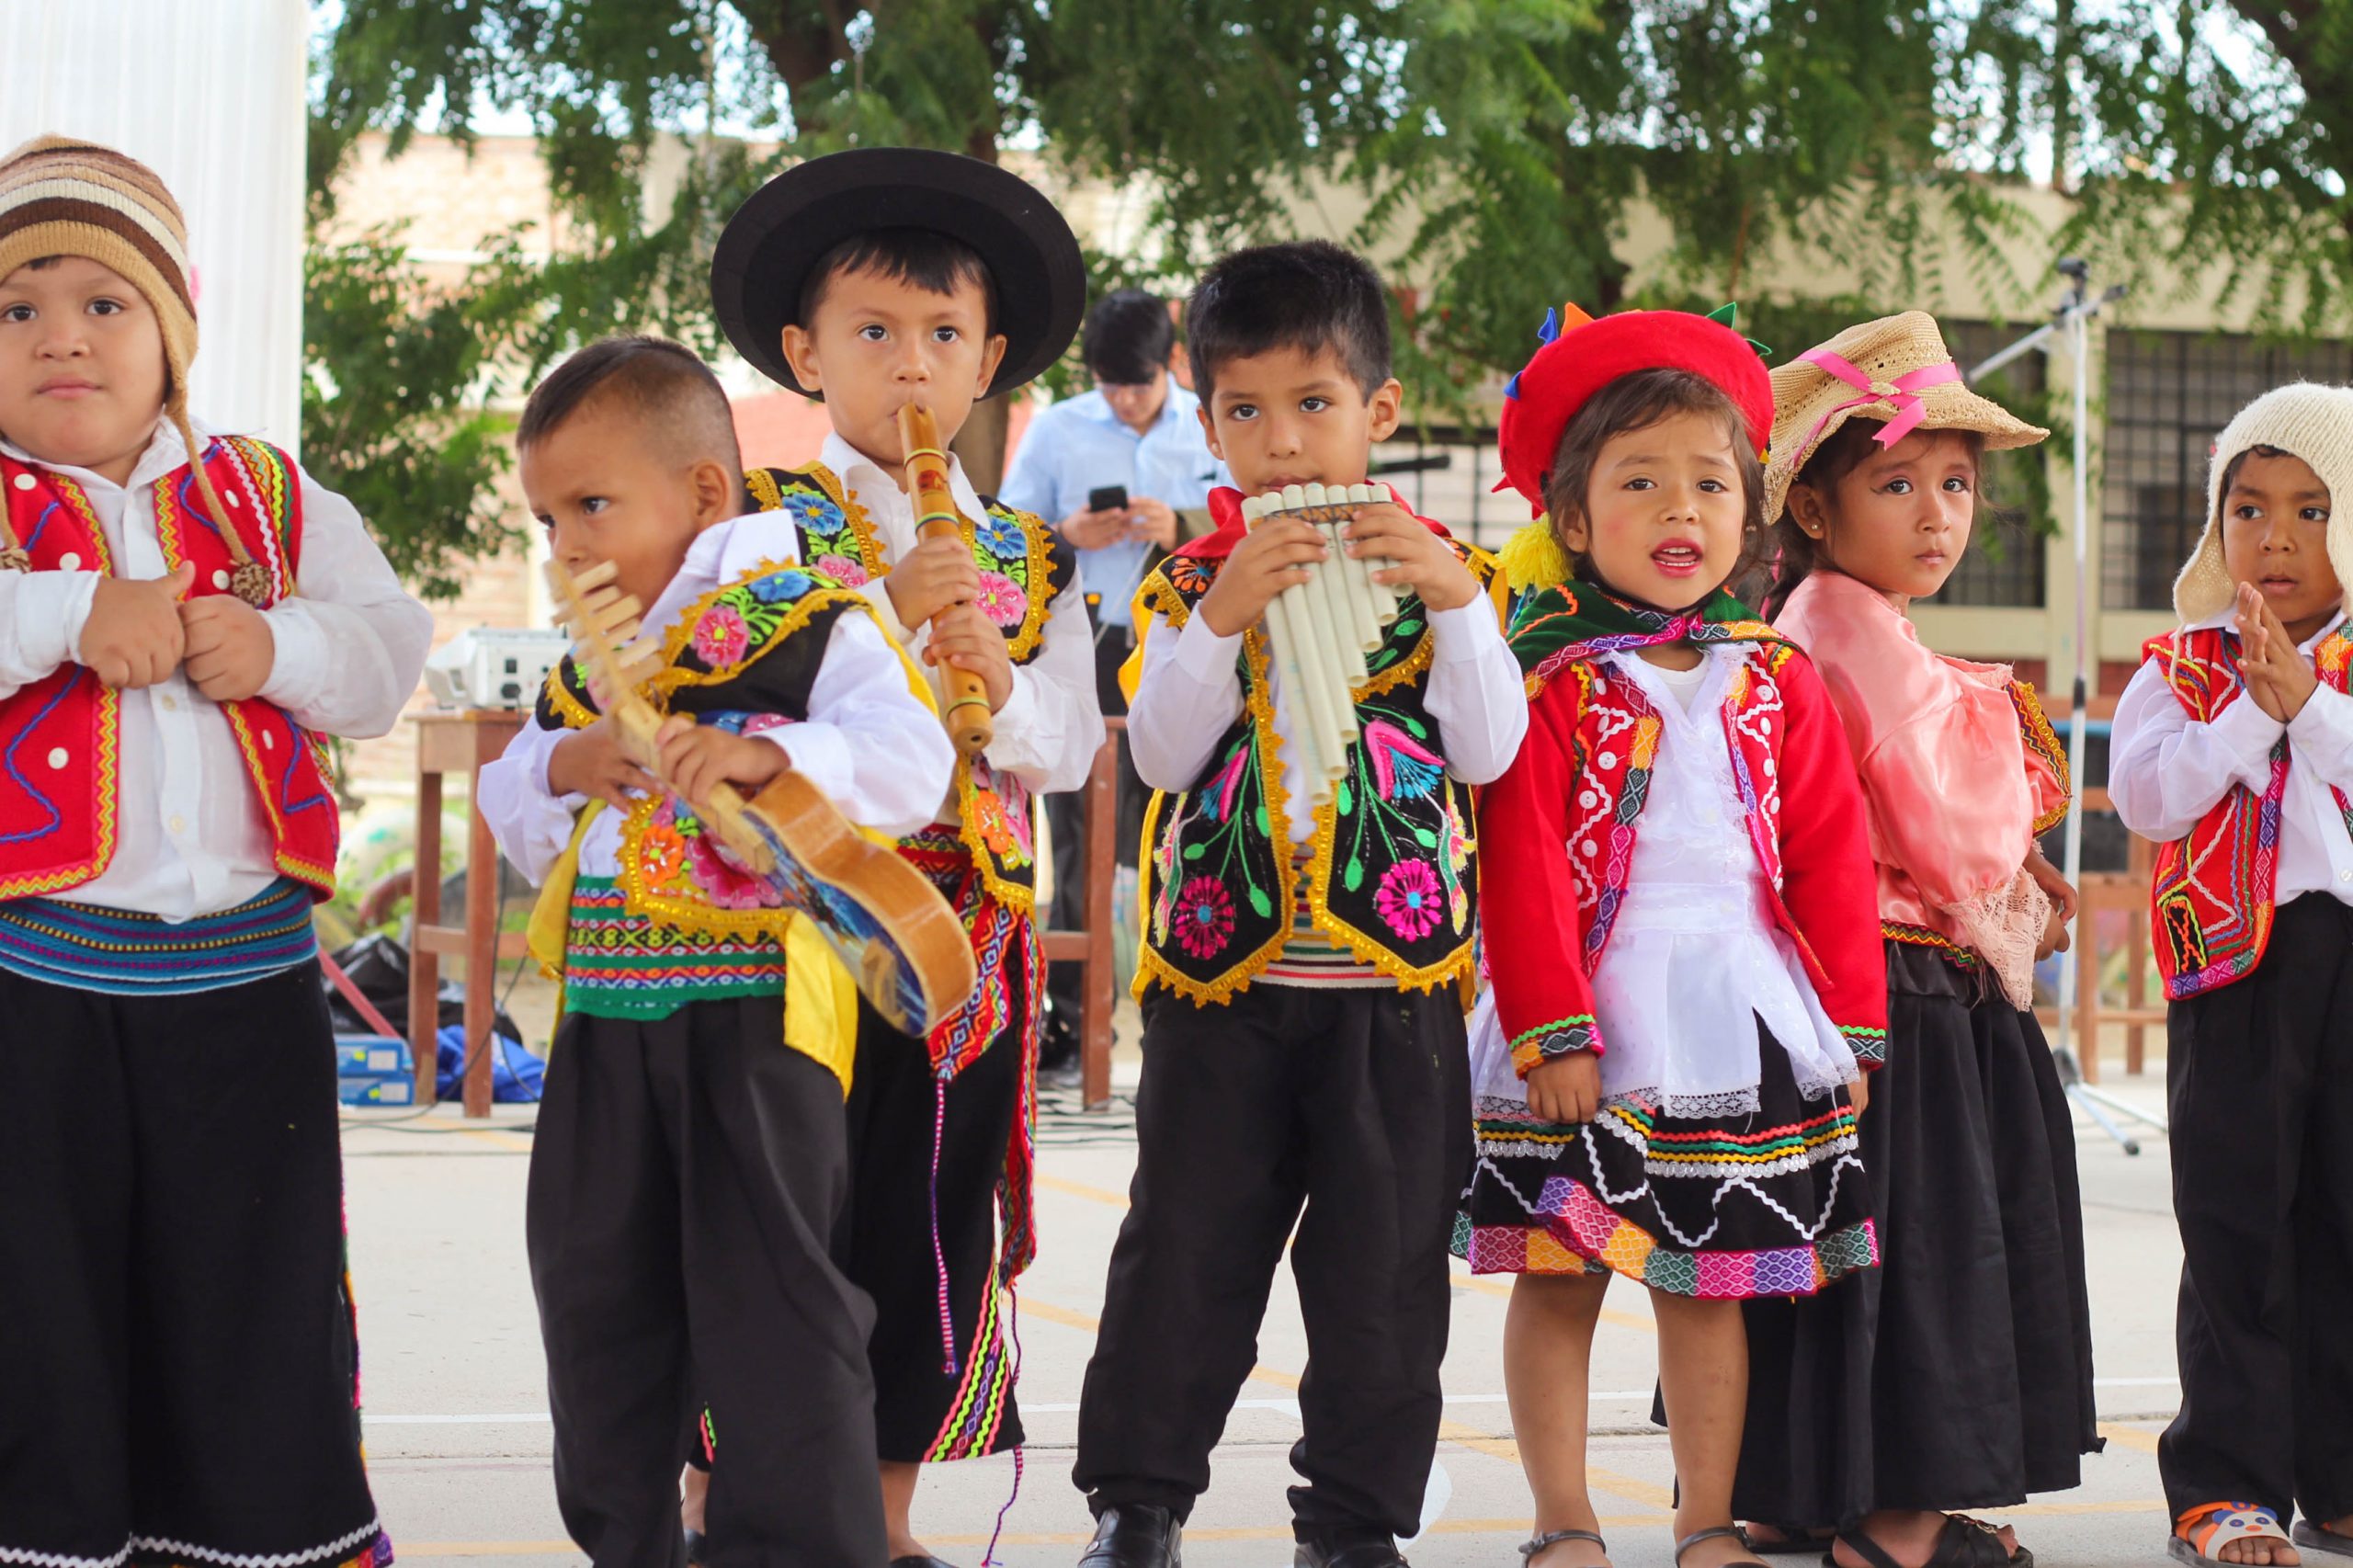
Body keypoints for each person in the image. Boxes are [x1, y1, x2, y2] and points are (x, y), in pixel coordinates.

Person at [0, 135, 432, 1568]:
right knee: (35, 1301)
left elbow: (388, 652)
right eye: (17, 307)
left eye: (103, 302)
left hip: (247, 986)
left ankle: (251, 1541)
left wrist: (277, 644)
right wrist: (63, 614)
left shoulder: (271, 495)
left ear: (174, 328)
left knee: (254, 1291)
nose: (62, 335)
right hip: (27, 989)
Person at [1068, 239, 1528, 1568]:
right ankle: (1138, 1503)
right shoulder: (1186, 583)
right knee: (1183, 1251)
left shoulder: (1450, 576)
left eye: (1313, 404)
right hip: (1223, 982)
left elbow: (1489, 750)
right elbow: (1161, 757)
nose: (1280, 443)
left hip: (1395, 989)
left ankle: (1352, 1520)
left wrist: (1455, 603)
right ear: (1207, 422)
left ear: (1378, 411)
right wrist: (1219, 618)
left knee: (1384, 1277)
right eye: (1245, 410)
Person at [476, 335, 955, 1565]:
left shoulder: (810, 616)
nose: (566, 545)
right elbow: (512, 803)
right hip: (604, 1023)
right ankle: (629, 1543)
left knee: (774, 1302)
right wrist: (564, 761)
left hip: (762, 1021)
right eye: (545, 518)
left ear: (702, 490)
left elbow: (912, 759)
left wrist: (767, 755)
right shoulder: (591, 663)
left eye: (591, 505)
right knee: (592, 1295)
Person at [710, 146, 1106, 1567]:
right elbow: (726, 691)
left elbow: (1069, 744)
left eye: (944, 335)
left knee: (925, 1218)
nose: (911, 366)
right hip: (794, 928)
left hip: (961, 957)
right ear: (806, 355)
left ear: (990, 364)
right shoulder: (757, 522)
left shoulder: (1034, 560)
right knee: (773, 1212)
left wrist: (996, 673)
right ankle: (725, 1506)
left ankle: (879, 1522)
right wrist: (879, 605)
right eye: (873, 332)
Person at [1459, 303, 1887, 1568]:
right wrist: (1551, 1029)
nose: (1678, 507)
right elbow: (1520, 865)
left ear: (1749, 517)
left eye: (1709, 480)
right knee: (1559, 1276)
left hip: (1737, 1015)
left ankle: (1707, 1518)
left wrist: (1850, 1027)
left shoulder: (1778, 675)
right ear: (1571, 518)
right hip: (1587, 1012)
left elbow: (1830, 858)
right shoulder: (1550, 677)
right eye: (1638, 480)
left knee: (1711, 1287)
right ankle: (1563, 1518)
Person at [1733, 311, 2098, 1568]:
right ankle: (1897, 1519)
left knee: (1828, 1235)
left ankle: (1793, 1488)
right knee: (1931, 1239)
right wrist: (2008, 770)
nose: (1938, 513)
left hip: (1822, 980)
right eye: (1898, 483)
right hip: (1897, 986)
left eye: (1955, 484)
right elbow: (1950, 834)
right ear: (1814, 509)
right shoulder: (1848, 629)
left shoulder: (1821, 616)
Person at [2108, 381, 2353, 1568]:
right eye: (2248, 508)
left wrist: (2309, 705)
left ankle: (2340, 1479)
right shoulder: (2179, 664)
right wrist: (2253, 718)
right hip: (2238, 974)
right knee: (2236, 1226)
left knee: (2347, 1224)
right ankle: (2225, 1487)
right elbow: (2149, 797)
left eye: (2313, 509)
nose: (2277, 538)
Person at [1000, 287, 1225, 1081]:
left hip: (1190, 640)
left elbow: (1255, 519)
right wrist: (1068, 534)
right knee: (1076, 832)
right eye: (1110, 385)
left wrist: (1182, 527)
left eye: (1138, 383)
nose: (1125, 400)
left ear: (1172, 363)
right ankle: (1068, 1016)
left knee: (1178, 818)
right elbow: (1008, 532)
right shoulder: (1058, 427)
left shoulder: (1212, 421)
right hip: (1089, 643)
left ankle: (1179, 1000)